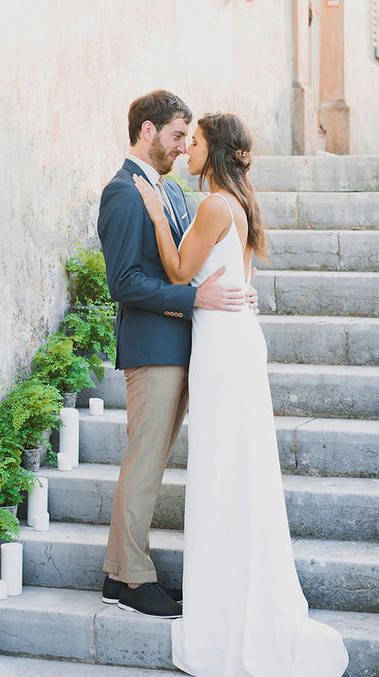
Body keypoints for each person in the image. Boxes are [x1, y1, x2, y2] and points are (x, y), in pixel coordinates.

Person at [131, 112, 350, 677]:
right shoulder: (238, 204)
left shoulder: (214, 205)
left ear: (215, 149)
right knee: (236, 474)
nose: (188, 149)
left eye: (195, 141)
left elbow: (180, 270)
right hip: (235, 339)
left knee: (223, 473)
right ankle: (238, 599)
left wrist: (156, 215)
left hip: (223, 347)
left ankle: (225, 615)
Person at [97, 90, 258, 619]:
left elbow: (190, 260)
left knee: (155, 461)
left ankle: (127, 569)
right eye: (175, 136)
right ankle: (127, 578)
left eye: (190, 138)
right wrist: (193, 297)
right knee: (143, 462)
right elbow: (123, 283)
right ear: (147, 131)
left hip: (189, 345)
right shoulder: (122, 192)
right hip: (153, 349)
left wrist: (229, 288)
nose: (184, 146)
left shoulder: (172, 195)